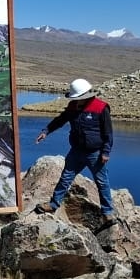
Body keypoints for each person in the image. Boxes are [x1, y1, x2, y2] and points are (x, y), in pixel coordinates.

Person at [33, 78, 116, 227]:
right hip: (76, 151)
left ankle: (107, 213)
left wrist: (106, 152)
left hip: (95, 153)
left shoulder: (101, 107)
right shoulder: (73, 106)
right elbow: (60, 120)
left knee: (102, 182)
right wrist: (46, 131)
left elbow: (108, 133)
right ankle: (53, 204)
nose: (77, 100)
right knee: (66, 177)